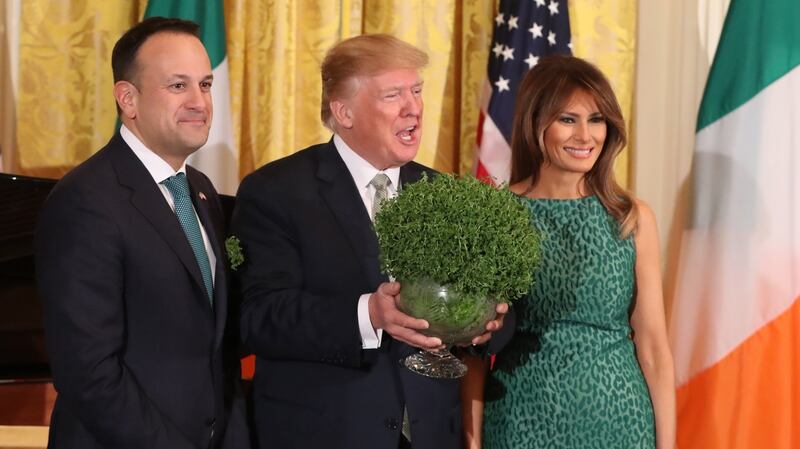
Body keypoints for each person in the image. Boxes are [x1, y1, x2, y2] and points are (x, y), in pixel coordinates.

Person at [231, 34, 507, 449]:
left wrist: (485, 325)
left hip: (432, 434)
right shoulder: (275, 191)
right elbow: (259, 317)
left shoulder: (445, 195)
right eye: (393, 95)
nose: (413, 107)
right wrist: (368, 314)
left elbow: (502, 319)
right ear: (344, 112)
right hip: (326, 432)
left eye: (416, 91)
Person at [36, 17, 249, 449]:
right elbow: (89, 372)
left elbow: (214, 347)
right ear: (127, 99)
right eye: (178, 86)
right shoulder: (85, 200)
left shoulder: (202, 192)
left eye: (205, 85)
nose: (199, 102)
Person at [461, 55, 676, 449]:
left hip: (620, 423)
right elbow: (472, 348)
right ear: (535, 123)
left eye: (596, 119)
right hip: (519, 419)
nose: (586, 135)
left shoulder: (632, 217)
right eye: (567, 119)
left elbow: (655, 349)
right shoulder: (497, 215)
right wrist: (472, 442)